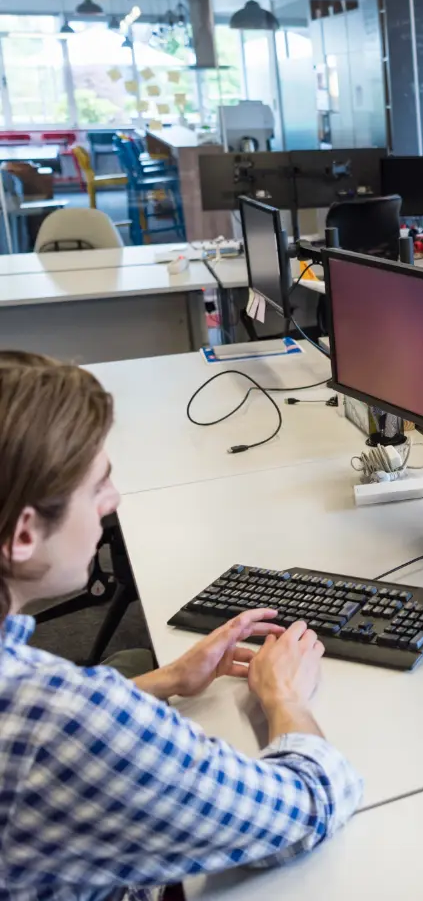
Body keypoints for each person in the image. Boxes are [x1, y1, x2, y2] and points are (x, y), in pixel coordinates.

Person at [0, 351, 362, 901]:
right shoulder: (64, 720)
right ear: (24, 534)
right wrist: (287, 698)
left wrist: (163, 681)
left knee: (136, 666)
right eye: (97, 487)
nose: (114, 501)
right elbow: (308, 803)